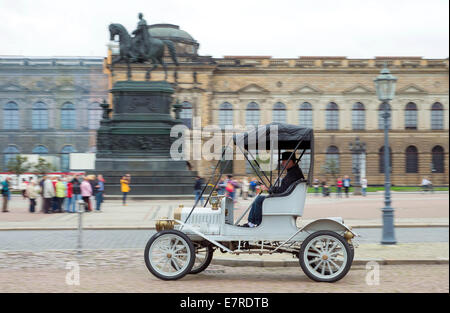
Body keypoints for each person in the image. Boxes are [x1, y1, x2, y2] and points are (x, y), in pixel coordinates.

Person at [242, 152, 305, 227]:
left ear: (290, 161)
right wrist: (270, 189)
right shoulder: (295, 172)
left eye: (283, 161)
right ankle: (251, 223)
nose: (282, 163)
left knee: (259, 199)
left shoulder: (293, 174)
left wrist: (269, 189)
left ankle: (257, 224)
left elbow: (282, 190)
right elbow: (285, 189)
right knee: (259, 199)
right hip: (288, 199)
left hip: (285, 201)